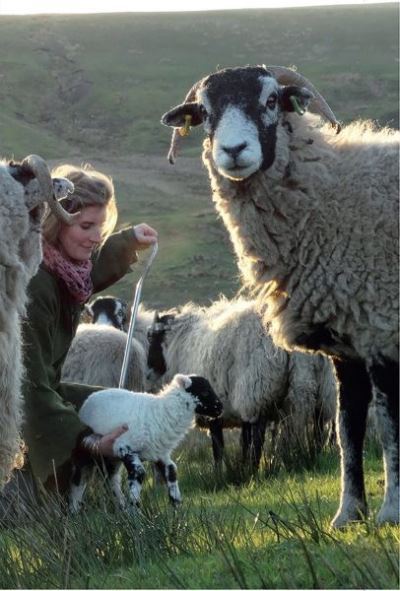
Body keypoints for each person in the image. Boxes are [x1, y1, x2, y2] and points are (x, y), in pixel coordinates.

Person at [2, 163, 158, 513]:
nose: (95, 236)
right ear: (57, 223)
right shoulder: (35, 286)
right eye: (86, 226)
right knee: (104, 422)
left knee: (126, 408)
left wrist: (128, 242)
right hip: (24, 402)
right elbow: (29, 387)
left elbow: (85, 278)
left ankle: (104, 498)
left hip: (45, 391)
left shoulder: (61, 269)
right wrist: (86, 440)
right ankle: (44, 507)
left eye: (100, 226)